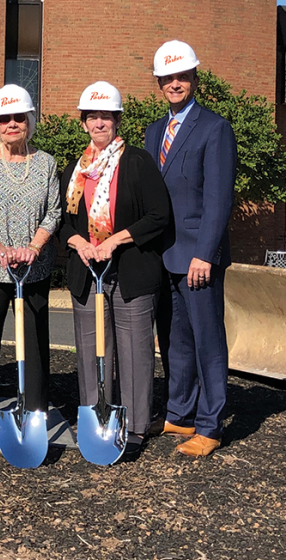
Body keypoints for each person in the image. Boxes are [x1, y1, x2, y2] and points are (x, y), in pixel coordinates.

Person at [58, 81, 170, 454]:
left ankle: (135, 427)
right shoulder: (75, 170)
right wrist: (78, 243)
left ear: (117, 120)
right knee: (92, 353)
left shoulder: (137, 162)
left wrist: (115, 240)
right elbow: (63, 222)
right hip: (87, 274)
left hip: (131, 273)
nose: (99, 123)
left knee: (135, 353)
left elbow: (159, 215)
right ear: (84, 123)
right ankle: (97, 420)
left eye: (106, 116)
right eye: (92, 117)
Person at [144, 40, 237, 458]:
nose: (175, 84)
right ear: (159, 83)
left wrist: (206, 253)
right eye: (168, 78)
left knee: (207, 342)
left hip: (198, 257)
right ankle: (180, 413)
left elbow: (218, 199)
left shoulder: (215, 129)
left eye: (183, 76)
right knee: (174, 341)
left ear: (195, 79)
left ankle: (210, 425)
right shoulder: (153, 132)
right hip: (164, 256)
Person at [0, 84, 61, 438]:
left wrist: (33, 247)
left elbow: (54, 212)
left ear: (29, 121)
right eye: (5, 119)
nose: (12, 124)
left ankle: (34, 409)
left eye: (19, 117)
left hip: (33, 269)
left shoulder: (45, 163)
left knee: (33, 343)